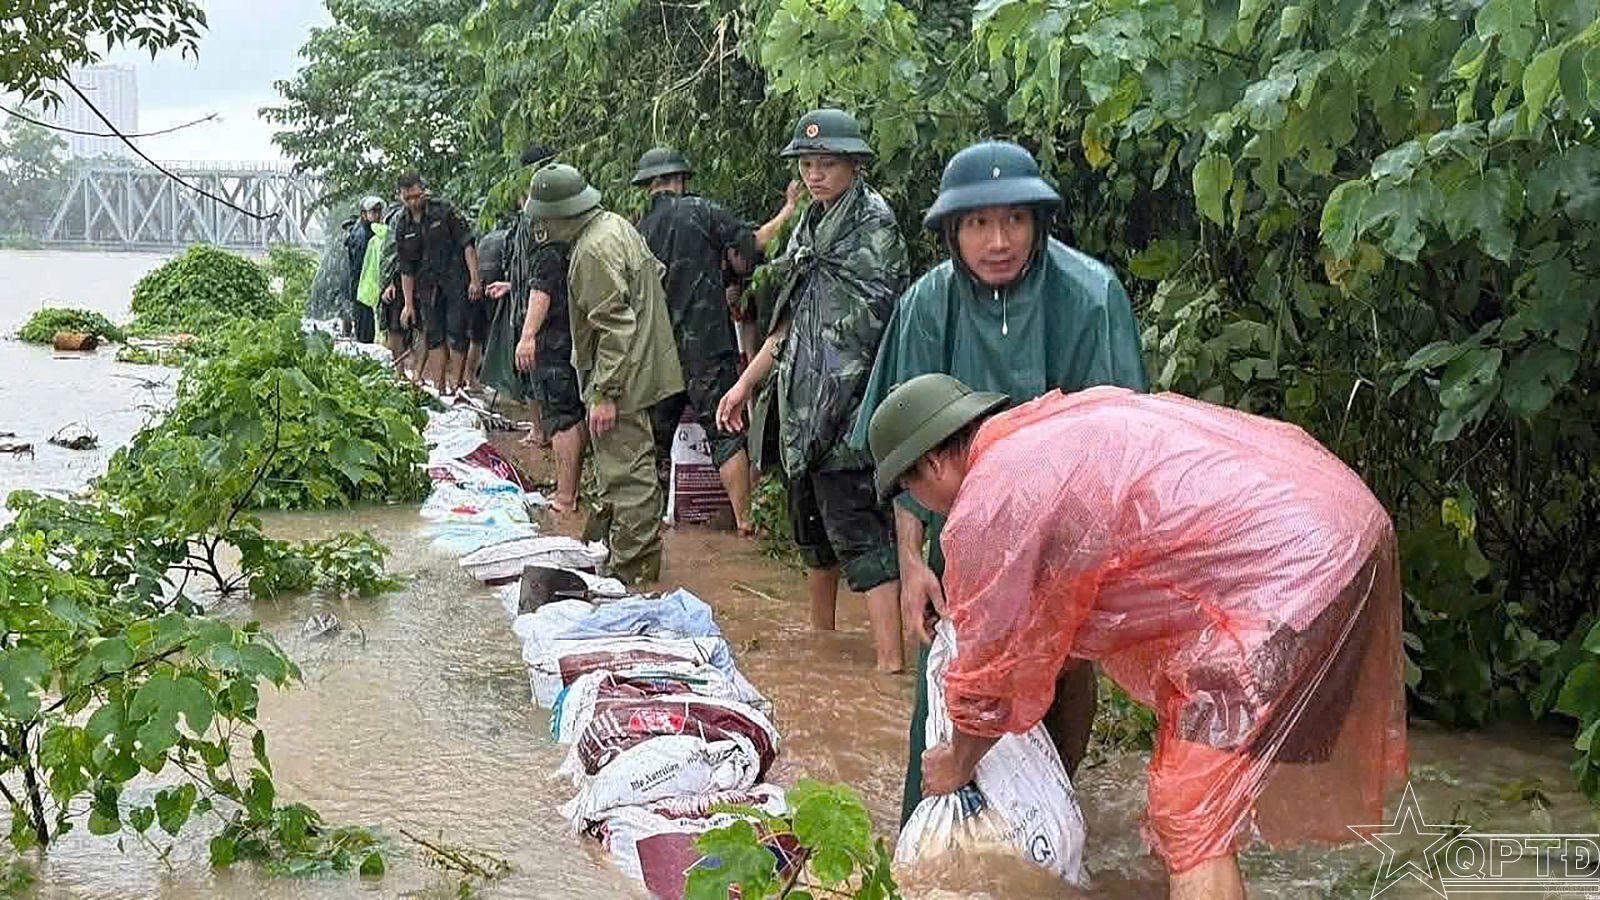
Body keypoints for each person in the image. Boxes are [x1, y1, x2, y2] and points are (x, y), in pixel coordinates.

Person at [867, 373, 1406, 900]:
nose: (922, 505)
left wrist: (956, 762)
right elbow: (1052, 634)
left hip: (1291, 573)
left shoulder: (990, 500)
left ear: (933, 463)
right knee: (1189, 791)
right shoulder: (1045, 434)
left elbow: (989, 683)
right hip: (1339, 527)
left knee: (1190, 814)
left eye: (911, 489)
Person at [846, 140, 1148, 822]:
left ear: (1039, 221)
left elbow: (1119, 447)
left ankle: (1048, 829)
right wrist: (912, 563)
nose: (999, 241)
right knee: (954, 686)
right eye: (978, 223)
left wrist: (1087, 578)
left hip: (1069, 538)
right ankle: (936, 841)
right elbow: (903, 452)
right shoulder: (926, 306)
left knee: (1062, 681)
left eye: (1014, 219)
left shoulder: (1091, 296)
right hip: (957, 540)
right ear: (952, 231)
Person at [716, 109, 907, 673]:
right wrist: (744, 385)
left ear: (853, 164)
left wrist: (840, 400)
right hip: (800, 406)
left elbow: (872, 328)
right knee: (812, 530)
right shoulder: (810, 226)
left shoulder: (873, 227)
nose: (815, 175)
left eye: (827, 164)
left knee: (859, 532)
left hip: (853, 406)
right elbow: (792, 322)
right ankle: (820, 644)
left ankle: (890, 667)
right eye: (806, 165)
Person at [526, 163, 682, 585]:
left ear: (559, 214)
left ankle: (634, 575)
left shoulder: (592, 250)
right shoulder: (614, 226)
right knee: (630, 468)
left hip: (623, 375)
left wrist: (605, 392)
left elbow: (614, 325)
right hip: (640, 364)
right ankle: (628, 562)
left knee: (627, 476)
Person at [631, 146, 761, 534]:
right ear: (679, 179)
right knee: (725, 430)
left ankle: (647, 522)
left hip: (659, 351)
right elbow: (749, 245)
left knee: (654, 441)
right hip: (706, 343)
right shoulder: (699, 210)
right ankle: (745, 521)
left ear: (649, 185)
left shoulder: (637, 229)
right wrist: (788, 211)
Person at [512, 196, 586, 513]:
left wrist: (527, 336)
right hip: (576, 341)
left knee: (561, 419)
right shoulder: (577, 244)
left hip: (553, 344)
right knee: (573, 414)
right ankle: (571, 490)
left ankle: (565, 497)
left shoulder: (549, 253)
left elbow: (540, 293)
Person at [391, 173, 482, 393]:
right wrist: (408, 305)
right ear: (401, 197)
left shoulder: (444, 211)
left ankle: (457, 386)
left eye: (416, 196)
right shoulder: (402, 225)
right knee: (434, 335)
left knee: (457, 332)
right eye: (408, 198)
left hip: (455, 280)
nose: (413, 202)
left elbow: (467, 244)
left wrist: (474, 279)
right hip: (427, 287)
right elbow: (406, 268)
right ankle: (440, 387)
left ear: (424, 191)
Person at [341, 197, 384, 341]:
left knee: (368, 326)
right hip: (362, 289)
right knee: (365, 330)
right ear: (364, 214)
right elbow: (360, 266)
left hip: (366, 289)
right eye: (373, 211)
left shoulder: (371, 231)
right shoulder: (362, 235)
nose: (377, 214)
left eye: (379, 211)